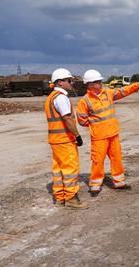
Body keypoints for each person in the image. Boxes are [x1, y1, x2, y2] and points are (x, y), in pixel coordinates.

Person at [76, 70, 139, 196]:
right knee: (98, 161)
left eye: (100, 81)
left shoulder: (108, 93)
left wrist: (137, 85)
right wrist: (95, 122)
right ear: (90, 84)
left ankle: (119, 182)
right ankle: (95, 185)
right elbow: (81, 121)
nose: (100, 83)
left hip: (113, 133)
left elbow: (123, 91)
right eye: (97, 81)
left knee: (116, 158)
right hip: (99, 136)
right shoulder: (84, 101)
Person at [45, 68, 88, 209]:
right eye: (69, 80)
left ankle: (60, 197)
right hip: (64, 140)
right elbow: (67, 118)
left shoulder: (51, 97)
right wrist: (77, 135)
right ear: (60, 82)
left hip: (55, 139)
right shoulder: (61, 97)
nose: (71, 83)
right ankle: (71, 198)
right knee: (70, 168)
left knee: (58, 169)